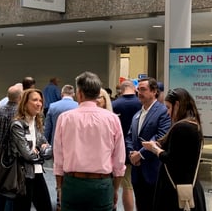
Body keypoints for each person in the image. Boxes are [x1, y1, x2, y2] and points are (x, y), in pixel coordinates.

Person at [54, 71, 126, 211]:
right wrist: (115, 189)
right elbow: (119, 159)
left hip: (72, 183)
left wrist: (59, 188)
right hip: (102, 184)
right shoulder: (112, 119)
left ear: (79, 93)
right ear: (98, 92)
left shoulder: (65, 118)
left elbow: (58, 157)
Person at [141, 88, 206, 211]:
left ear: (177, 104)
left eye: (168, 107)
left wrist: (154, 149)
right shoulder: (193, 125)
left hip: (175, 190)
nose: (167, 113)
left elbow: (172, 159)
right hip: (186, 187)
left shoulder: (182, 127)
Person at [125, 77, 171, 211]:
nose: (139, 92)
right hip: (137, 171)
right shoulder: (137, 114)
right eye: (138, 89)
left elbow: (161, 137)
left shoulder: (162, 111)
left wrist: (140, 155)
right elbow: (129, 136)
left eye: (143, 89)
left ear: (154, 91)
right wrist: (131, 154)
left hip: (153, 170)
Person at [9, 88, 52, 211]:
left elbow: (48, 147)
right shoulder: (17, 125)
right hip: (23, 175)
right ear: (25, 103)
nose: (39, 103)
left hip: (37, 172)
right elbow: (27, 154)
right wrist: (40, 153)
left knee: (45, 206)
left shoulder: (37, 124)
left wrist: (40, 151)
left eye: (40, 100)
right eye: (34, 100)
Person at [112, 80, 142, 211]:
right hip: (142, 149)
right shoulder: (142, 103)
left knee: (127, 186)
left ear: (121, 90)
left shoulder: (115, 104)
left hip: (123, 150)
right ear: (134, 89)